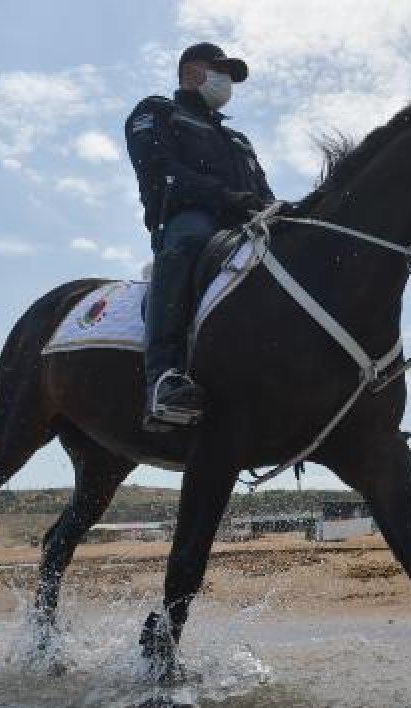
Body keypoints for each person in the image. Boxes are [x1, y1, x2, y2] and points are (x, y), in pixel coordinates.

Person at [125, 42, 275, 430]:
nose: (227, 83)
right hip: (188, 217)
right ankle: (164, 377)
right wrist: (224, 196)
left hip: (247, 224)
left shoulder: (238, 140)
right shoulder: (157, 112)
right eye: (221, 72)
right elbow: (158, 171)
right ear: (192, 71)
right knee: (187, 243)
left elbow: (263, 191)